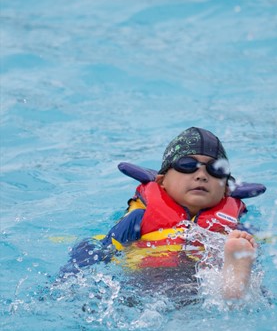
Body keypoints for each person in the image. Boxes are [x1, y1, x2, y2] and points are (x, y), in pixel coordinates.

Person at [62, 127, 258, 299]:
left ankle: (233, 286)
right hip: (149, 282)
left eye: (215, 170)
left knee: (236, 255)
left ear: (226, 189)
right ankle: (233, 292)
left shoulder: (234, 231)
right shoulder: (139, 219)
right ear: (161, 181)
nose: (201, 175)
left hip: (195, 284)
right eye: (188, 165)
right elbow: (104, 249)